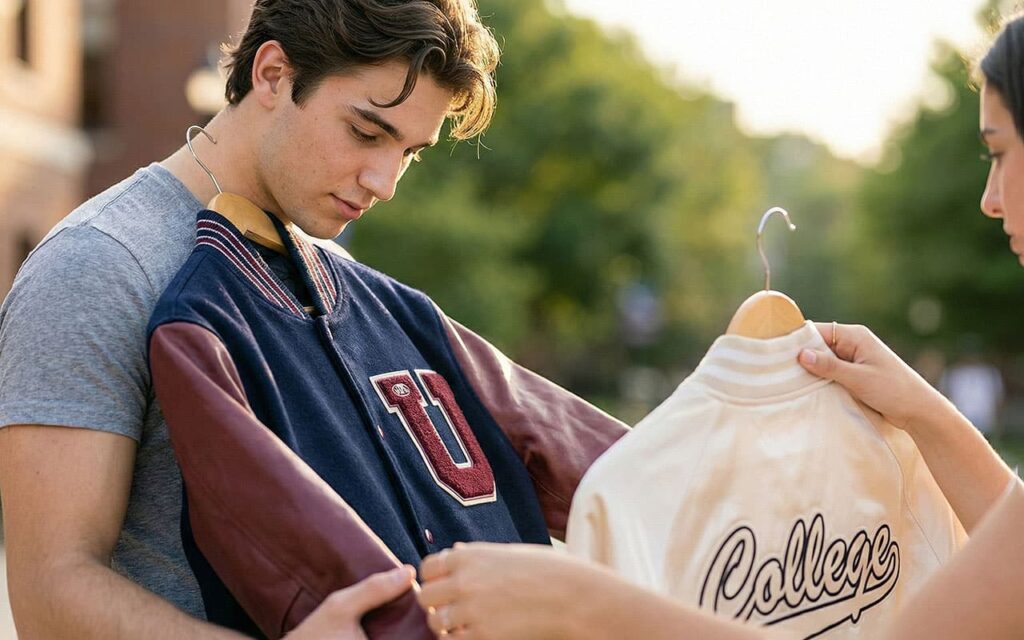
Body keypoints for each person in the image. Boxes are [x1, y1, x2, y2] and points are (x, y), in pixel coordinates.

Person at [415, 12, 1024, 640]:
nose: (989, 195)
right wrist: (926, 416)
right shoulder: (633, 487)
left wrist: (594, 605)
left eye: (999, 151)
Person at [0, 1, 594, 637]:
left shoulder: (335, 271)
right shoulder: (100, 264)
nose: (385, 181)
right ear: (274, 74)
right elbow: (50, 592)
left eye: (410, 152)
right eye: (367, 132)